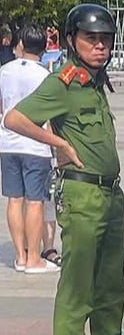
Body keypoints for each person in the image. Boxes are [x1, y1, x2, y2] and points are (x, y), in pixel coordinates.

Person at [4, 4, 124, 335]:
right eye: (92, 39)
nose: (100, 46)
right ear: (72, 40)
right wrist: (59, 144)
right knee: (78, 283)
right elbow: (15, 119)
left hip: (110, 193)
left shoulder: (92, 82)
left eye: (105, 39)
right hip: (82, 193)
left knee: (110, 282)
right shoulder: (64, 83)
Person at [0, 25, 57, 274]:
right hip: (35, 144)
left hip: (8, 142)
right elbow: (52, 116)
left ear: (21, 45)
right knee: (35, 202)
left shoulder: (4, 71)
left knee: (14, 199)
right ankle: (34, 257)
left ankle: (20, 255)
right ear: (44, 48)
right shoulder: (45, 76)